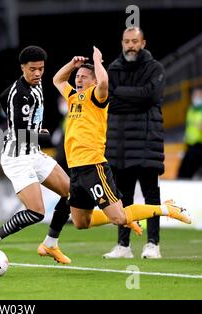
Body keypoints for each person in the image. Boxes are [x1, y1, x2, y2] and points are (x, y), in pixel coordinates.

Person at [51, 46, 190, 241]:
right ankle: (128, 215)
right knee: (81, 222)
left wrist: (98, 62)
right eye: (78, 76)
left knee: (118, 217)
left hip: (93, 166)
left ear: (94, 81)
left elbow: (105, 81)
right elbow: (57, 79)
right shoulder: (73, 97)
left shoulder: (97, 96)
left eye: (83, 76)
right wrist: (73, 65)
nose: (78, 79)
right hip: (76, 169)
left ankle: (167, 208)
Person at [0, 45, 73, 264]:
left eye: (41, 68)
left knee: (71, 193)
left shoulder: (35, 85)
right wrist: (45, 136)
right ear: (23, 68)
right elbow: (21, 135)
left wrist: (31, 127)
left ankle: (50, 244)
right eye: (33, 69)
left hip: (33, 153)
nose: (38, 73)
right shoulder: (19, 95)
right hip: (17, 157)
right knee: (36, 212)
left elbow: (2, 97)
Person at [103, 27, 167, 259]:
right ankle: (123, 246)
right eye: (127, 41)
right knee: (123, 198)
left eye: (135, 41)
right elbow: (109, 101)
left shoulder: (155, 68)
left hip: (146, 143)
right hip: (119, 145)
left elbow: (152, 96)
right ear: (122, 43)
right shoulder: (113, 68)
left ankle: (153, 244)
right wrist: (137, 97)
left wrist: (121, 92)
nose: (131, 45)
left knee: (151, 197)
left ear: (143, 43)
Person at [178, 87, 202, 179]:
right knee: (183, 175)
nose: (196, 97)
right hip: (190, 146)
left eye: (199, 95)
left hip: (199, 146)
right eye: (195, 95)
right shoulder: (191, 110)